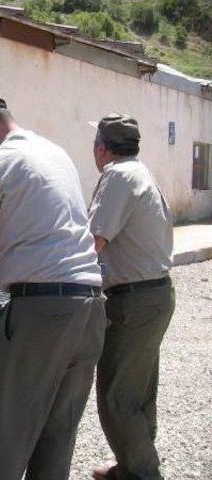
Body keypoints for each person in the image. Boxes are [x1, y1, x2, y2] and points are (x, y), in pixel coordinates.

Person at [0, 93, 107, 480]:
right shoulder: (53, 154)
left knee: (6, 432)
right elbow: (14, 239)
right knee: (57, 431)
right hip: (89, 308)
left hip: (41, 313)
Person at [88, 114, 175, 480]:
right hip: (154, 295)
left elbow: (94, 240)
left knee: (117, 397)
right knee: (138, 391)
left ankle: (142, 473)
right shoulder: (140, 172)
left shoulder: (118, 176)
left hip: (133, 301)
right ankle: (133, 463)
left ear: (103, 148)